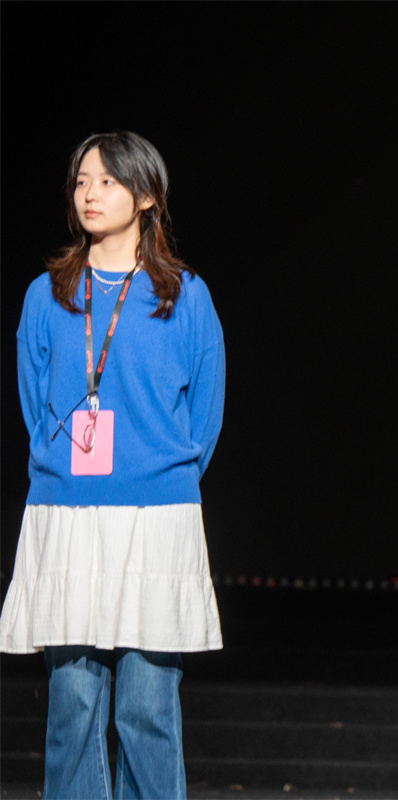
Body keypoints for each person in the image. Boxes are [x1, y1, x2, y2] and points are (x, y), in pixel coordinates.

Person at [0, 131, 225, 799]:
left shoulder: (185, 296)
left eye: (107, 181)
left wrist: (158, 474)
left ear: (146, 195)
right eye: (81, 181)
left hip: (156, 516)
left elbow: (205, 414)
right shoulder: (47, 295)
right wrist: (63, 472)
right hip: (67, 513)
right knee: (72, 700)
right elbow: (34, 403)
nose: (89, 193)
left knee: (147, 707)